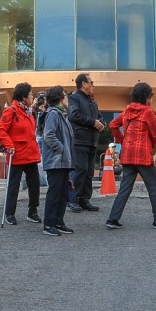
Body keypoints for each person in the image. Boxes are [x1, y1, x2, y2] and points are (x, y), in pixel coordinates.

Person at [105, 82, 156, 230]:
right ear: (147, 97)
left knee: (125, 187)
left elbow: (112, 125)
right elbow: (155, 133)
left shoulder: (127, 111)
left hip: (127, 154)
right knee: (154, 185)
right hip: (142, 154)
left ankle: (112, 219)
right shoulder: (147, 112)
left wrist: (121, 139)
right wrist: (151, 141)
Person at [0, 82, 41, 226]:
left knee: (35, 185)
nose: (33, 96)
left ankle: (32, 211)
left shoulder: (29, 112)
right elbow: (0, 130)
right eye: (31, 94)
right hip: (17, 154)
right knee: (13, 186)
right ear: (23, 97)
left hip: (31, 154)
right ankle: (9, 213)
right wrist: (9, 146)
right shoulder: (11, 110)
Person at [41, 86, 75, 236]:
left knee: (63, 194)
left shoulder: (62, 115)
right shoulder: (54, 114)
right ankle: (49, 224)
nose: (68, 99)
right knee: (55, 193)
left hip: (62, 161)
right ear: (61, 98)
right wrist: (61, 149)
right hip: (56, 161)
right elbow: (49, 135)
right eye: (66, 96)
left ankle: (58, 222)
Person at [67, 74, 104, 211]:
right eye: (91, 82)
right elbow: (73, 115)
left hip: (91, 140)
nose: (93, 85)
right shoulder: (74, 98)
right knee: (80, 170)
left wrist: (101, 123)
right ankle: (72, 199)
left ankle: (84, 199)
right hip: (79, 140)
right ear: (84, 83)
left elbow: (99, 117)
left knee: (89, 172)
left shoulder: (92, 102)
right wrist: (93, 122)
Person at [33, 91, 49, 187]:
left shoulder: (48, 109)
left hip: (44, 135)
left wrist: (44, 112)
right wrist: (34, 106)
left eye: (43, 98)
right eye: (40, 98)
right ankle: (39, 180)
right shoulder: (33, 109)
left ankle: (44, 180)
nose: (42, 100)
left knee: (44, 158)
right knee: (37, 160)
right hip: (36, 136)